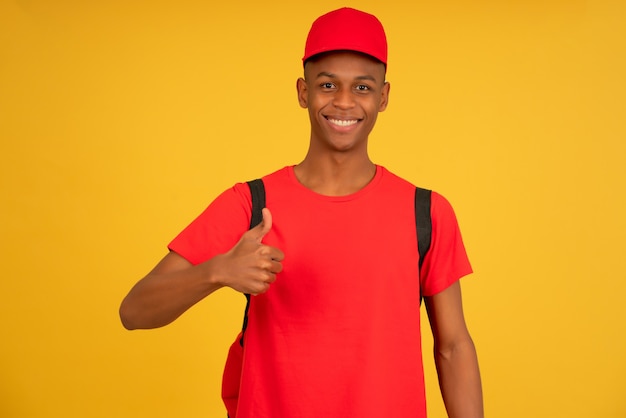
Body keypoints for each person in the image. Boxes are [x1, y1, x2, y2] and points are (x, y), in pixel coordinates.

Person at [120, 7, 483, 418]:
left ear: (383, 97)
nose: (344, 101)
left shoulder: (426, 212)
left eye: (362, 87)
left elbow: (453, 347)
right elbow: (134, 311)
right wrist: (218, 271)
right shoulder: (251, 205)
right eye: (327, 84)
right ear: (302, 91)